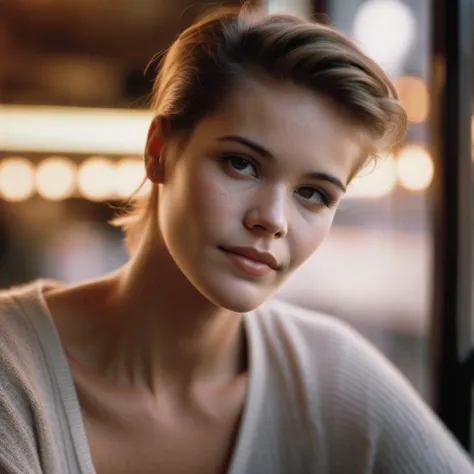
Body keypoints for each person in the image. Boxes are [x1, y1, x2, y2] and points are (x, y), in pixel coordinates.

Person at [0, 5, 473, 474]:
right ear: (158, 152)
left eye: (313, 193)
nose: (272, 220)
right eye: (241, 163)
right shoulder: (12, 368)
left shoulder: (332, 374)